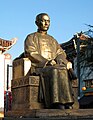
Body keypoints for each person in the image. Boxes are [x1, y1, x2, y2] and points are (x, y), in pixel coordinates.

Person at [24, 13, 74, 109]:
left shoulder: (52, 40)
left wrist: (63, 61)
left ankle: (67, 101)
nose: (46, 23)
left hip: (54, 65)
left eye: (48, 21)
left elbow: (61, 53)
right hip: (39, 67)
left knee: (63, 69)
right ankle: (55, 102)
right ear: (37, 23)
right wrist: (47, 62)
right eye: (43, 21)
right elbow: (30, 52)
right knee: (54, 70)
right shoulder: (31, 37)